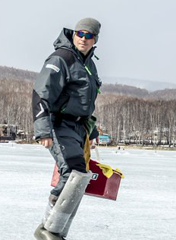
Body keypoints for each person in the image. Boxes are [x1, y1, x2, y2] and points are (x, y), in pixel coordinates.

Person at [32, 17, 102, 240]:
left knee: (80, 177)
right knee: (73, 172)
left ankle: (58, 231)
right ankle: (48, 228)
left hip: (78, 128)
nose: (83, 38)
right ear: (73, 34)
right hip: (58, 123)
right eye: (80, 33)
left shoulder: (89, 64)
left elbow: (86, 101)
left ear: (95, 40)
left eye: (88, 35)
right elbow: (41, 93)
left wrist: (92, 131)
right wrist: (43, 130)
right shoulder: (61, 58)